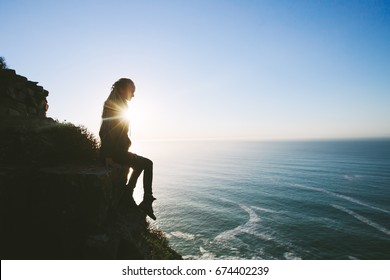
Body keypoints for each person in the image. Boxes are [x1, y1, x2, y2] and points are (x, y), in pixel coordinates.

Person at [99, 78, 156, 220]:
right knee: (147, 163)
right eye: (132, 90)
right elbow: (105, 131)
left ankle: (131, 194)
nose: (133, 94)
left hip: (118, 151)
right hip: (114, 153)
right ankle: (143, 200)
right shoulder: (112, 105)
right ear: (121, 89)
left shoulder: (120, 105)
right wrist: (107, 156)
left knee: (142, 164)